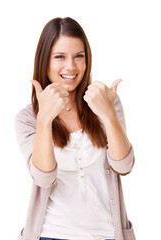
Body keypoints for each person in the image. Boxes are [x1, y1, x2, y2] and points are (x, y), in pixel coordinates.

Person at [14, 17, 136, 240]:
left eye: (79, 56)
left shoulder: (105, 102)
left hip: (107, 235)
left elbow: (124, 166)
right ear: (45, 61)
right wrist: (44, 120)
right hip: (51, 234)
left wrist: (108, 114)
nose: (71, 66)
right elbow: (43, 179)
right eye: (60, 57)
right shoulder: (27, 119)